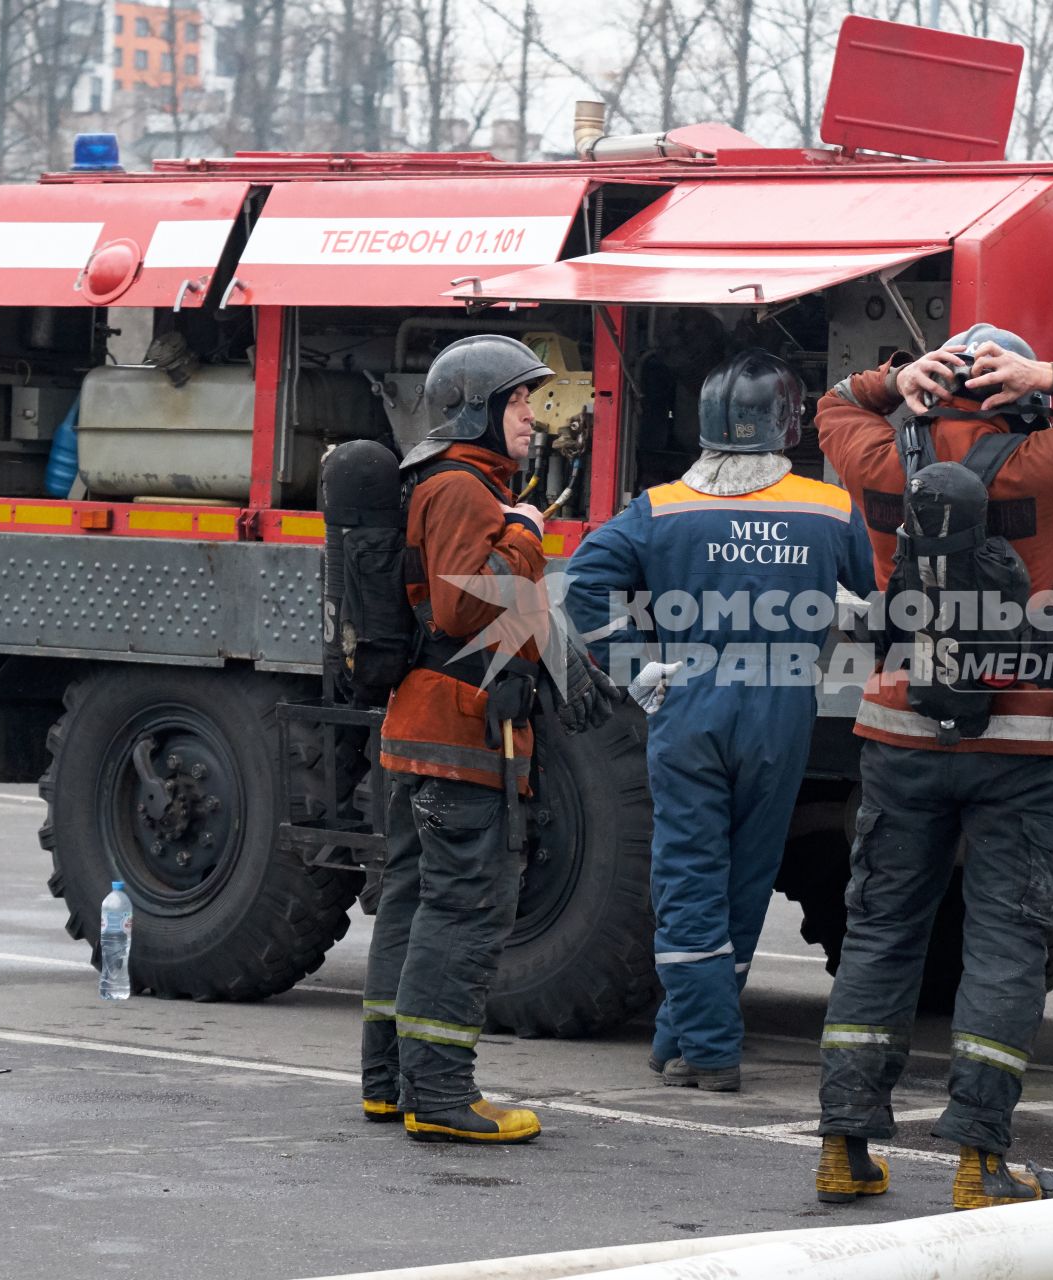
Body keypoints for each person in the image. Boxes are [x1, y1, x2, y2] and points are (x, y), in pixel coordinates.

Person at [811, 325, 1053, 1209]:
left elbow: (833, 404)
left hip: (899, 728)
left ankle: (844, 1148)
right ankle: (978, 1160)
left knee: (883, 929)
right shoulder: (1049, 464)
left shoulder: (878, 458)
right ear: (1016, 394)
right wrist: (1049, 374)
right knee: (1007, 942)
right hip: (1023, 740)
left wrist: (896, 380)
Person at [563, 349, 874, 1094]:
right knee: (745, 880)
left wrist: (631, 664)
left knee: (688, 879)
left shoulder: (661, 507)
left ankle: (700, 1043)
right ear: (787, 424)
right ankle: (690, 1035)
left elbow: (580, 584)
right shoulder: (830, 508)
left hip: (690, 704)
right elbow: (878, 591)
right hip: (781, 708)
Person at [361, 334, 618, 1145]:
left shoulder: (439, 484)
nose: (530, 418)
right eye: (516, 401)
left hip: (424, 728)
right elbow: (465, 610)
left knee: (411, 903)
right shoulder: (467, 492)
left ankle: (390, 1083)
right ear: (473, 408)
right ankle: (438, 1094)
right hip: (460, 737)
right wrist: (526, 530)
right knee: (463, 910)